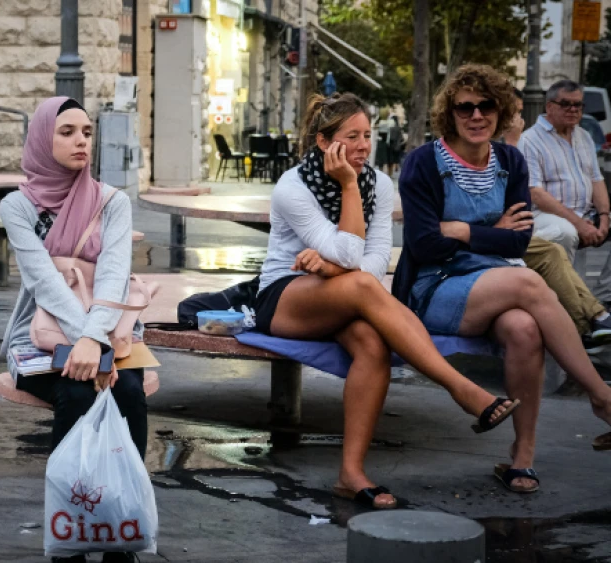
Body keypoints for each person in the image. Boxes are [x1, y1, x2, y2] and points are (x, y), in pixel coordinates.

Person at [255, 92, 522, 510]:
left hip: (343, 293)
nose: (364, 146)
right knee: (361, 289)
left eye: (368, 135)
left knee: (372, 343)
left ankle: (351, 473)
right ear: (325, 143)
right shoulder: (293, 187)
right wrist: (346, 188)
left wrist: (331, 269)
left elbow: (374, 264)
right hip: (286, 296)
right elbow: (351, 257)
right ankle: (461, 388)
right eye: (352, 136)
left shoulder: (378, 184)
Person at [393, 65, 611, 494]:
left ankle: (521, 458)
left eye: (486, 105)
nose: (477, 115)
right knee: (530, 283)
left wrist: (457, 229)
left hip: (493, 278)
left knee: (525, 328)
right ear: (449, 114)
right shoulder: (423, 163)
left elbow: (520, 241)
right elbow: (423, 244)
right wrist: (491, 231)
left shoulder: (510, 160)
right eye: (465, 107)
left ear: (501, 109)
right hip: (435, 285)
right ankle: (602, 397)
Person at [0, 96, 146, 563]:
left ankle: (122, 534)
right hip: (41, 334)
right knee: (79, 394)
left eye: (86, 132)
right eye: (67, 132)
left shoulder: (112, 202)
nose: (81, 140)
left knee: (130, 394)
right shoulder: (16, 207)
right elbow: (44, 283)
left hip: (108, 332)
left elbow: (114, 275)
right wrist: (88, 346)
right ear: (44, 137)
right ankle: (72, 539)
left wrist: (96, 345)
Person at [518, 80, 611, 303]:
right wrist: (579, 224)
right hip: (543, 216)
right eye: (566, 104)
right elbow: (535, 193)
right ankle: (572, 305)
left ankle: (603, 299)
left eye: (578, 105)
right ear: (549, 106)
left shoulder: (583, 136)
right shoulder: (529, 140)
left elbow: (596, 180)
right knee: (567, 231)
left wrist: (604, 218)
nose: (573, 110)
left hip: (584, 212)